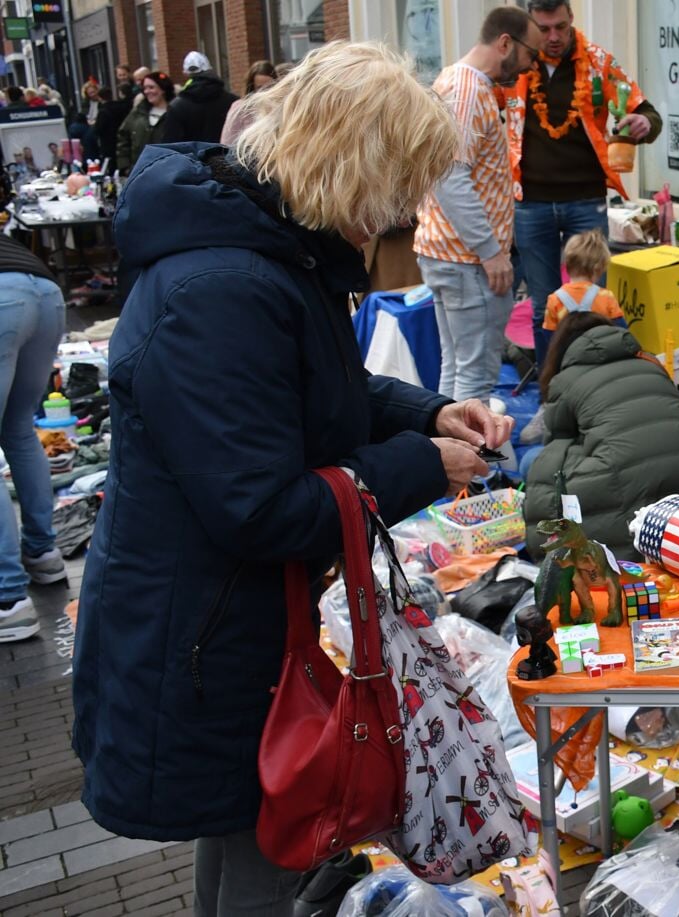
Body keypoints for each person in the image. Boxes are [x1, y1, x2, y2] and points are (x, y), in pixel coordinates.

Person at [70, 41, 511, 916]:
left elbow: (319, 385)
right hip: (206, 633)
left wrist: (424, 413)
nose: (397, 212)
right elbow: (263, 506)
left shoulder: (262, 249)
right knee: (269, 850)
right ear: (352, 167)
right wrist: (425, 464)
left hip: (223, 618)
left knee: (245, 834)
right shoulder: (226, 285)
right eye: (396, 185)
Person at [508, 0, 661, 367]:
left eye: (561, 26)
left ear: (572, 19)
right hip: (531, 203)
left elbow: (646, 113)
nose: (555, 37)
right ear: (530, 24)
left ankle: (595, 386)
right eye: (544, 29)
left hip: (585, 201)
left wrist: (644, 126)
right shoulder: (515, 65)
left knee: (594, 303)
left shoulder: (598, 63)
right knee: (544, 306)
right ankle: (552, 396)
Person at [523, 311, 679, 557]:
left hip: (620, 474)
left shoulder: (565, 380)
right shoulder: (651, 364)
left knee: (533, 460)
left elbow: (558, 440)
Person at [414, 7, 543, 401]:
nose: (530, 67)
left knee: (457, 369)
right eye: (530, 55)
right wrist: (491, 253)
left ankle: (451, 458)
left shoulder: (460, 82)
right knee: (476, 378)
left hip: (452, 255)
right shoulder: (468, 90)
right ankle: (474, 464)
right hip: (468, 262)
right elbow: (450, 176)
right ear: (505, 42)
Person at [0, 234, 69, 643]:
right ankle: (43, 554)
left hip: (7, 301)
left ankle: (8, 599)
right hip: (44, 292)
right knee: (19, 428)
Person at [541, 229, 626, 333]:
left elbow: (548, 336)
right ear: (598, 269)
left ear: (567, 264)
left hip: (567, 349)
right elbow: (622, 332)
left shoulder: (554, 299)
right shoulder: (606, 297)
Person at [157, 50, 238, 143]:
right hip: (225, 156)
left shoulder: (177, 106)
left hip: (190, 156)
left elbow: (171, 143)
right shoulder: (233, 102)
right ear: (209, 69)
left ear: (186, 74)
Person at [115, 72, 173, 175]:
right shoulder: (138, 112)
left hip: (168, 171)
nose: (147, 91)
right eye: (145, 88)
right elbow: (123, 138)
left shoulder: (175, 112)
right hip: (140, 173)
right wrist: (125, 167)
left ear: (163, 89)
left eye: (151, 87)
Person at [219, 59, 282, 144]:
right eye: (260, 87)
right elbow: (226, 142)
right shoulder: (240, 108)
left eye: (269, 86)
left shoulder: (281, 107)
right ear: (252, 88)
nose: (265, 91)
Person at [94, 87, 130, 166]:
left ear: (100, 98)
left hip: (107, 142)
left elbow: (98, 129)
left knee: (110, 164)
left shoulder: (103, 111)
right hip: (120, 139)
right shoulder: (121, 107)